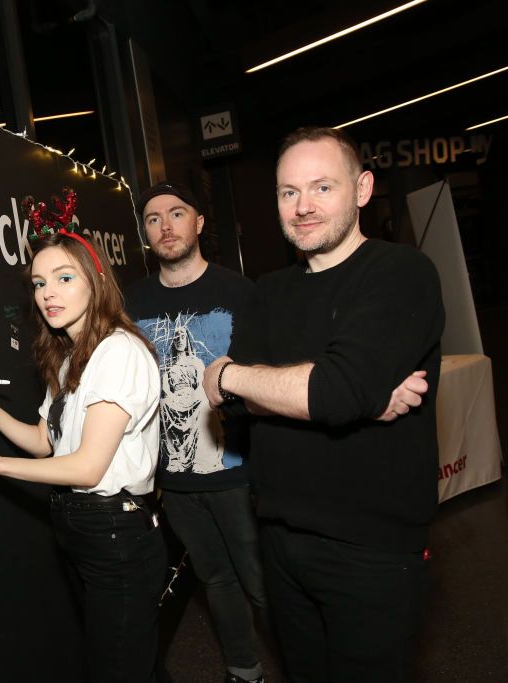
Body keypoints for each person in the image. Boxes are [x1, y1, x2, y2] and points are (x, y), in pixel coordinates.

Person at [204, 126, 444, 682]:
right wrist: (349, 396)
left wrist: (237, 374)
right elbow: (230, 407)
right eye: (289, 192)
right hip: (282, 541)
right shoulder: (269, 290)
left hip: (372, 551)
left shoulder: (400, 272)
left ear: (362, 189)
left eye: (321, 188)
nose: (303, 207)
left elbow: (331, 393)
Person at [0, 190, 167, 683]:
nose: (49, 292)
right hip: (82, 530)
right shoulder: (70, 356)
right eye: (40, 282)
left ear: (96, 279)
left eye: (65, 278)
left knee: (118, 669)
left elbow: (87, 467)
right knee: (131, 663)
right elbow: (47, 442)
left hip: (117, 535)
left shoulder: (118, 352)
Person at [125, 182, 268, 683]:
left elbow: (267, 379)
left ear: (199, 222)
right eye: (152, 218)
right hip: (177, 481)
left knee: (262, 580)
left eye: (177, 213)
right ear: (144, 232)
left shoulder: (239, 291)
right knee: (217, 580)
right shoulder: (132, 302)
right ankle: (244, 670)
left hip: (239, 470)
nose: (166, 226)